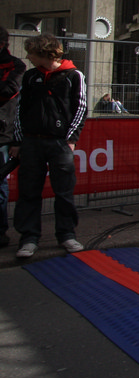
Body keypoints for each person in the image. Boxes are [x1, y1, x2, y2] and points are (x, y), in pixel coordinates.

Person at [10, 33, 87, 258]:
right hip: (32, 141)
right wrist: (18, 140)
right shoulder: (30, 76)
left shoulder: (73, 76)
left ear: (43, 53)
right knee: (28, 191)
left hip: (59, 142)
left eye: (31, 53)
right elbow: (20, 109)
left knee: (64, 191)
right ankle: (29, 238)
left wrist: (70, 139)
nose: (28, 57)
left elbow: (81, 108)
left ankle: (66, 234)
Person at [0, 27, 27, 249]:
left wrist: (16, 141)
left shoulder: (15, 65)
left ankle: (0, 231)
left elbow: (8, 90)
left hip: (1, 133)